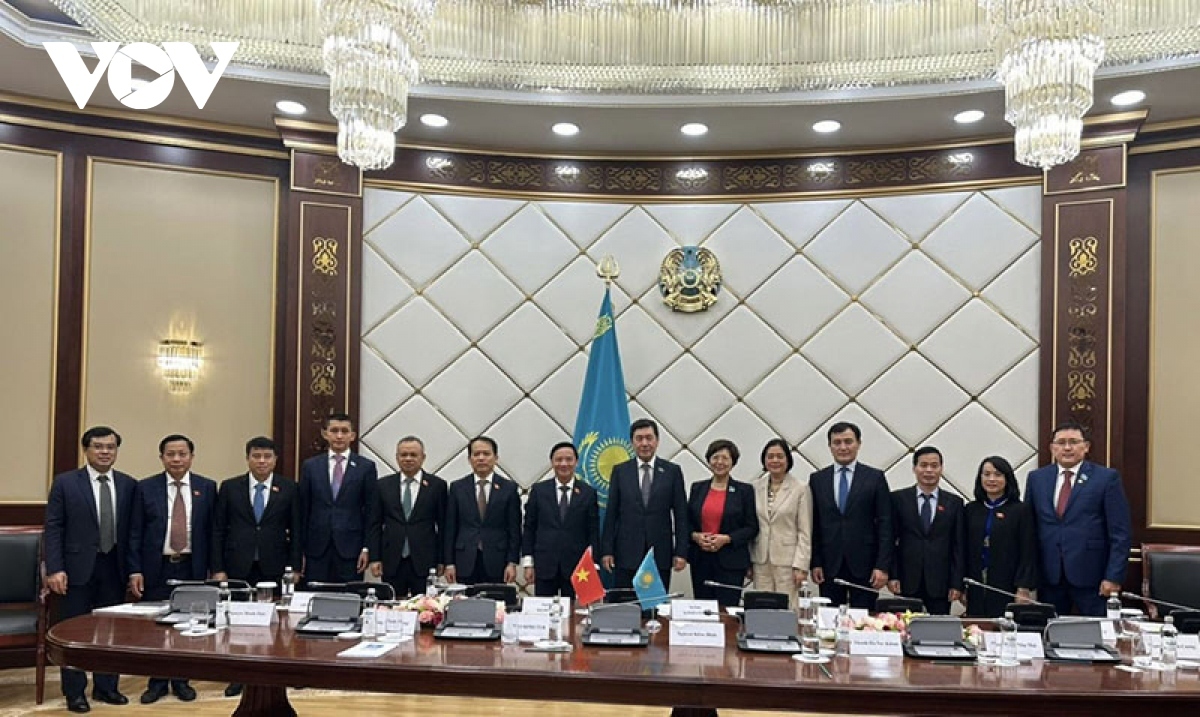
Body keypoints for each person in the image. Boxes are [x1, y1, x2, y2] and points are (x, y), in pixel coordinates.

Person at [43, 426, 136, 713]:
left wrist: (134, 570)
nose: (105, 452)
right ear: (86, 450)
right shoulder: (66, 483)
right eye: (98, 446)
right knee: (75, 632)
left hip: (114, 567)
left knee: (111, 631)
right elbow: (54, 528)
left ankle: (107, 687)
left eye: (110, 447)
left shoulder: (128, 484)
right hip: (75, 570)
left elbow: (133, 532)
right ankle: (74, 693)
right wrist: (55, 568)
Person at [128, 434, 218, 704]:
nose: (177, 459)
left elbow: (213, 532)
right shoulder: (144, 487)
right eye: (170, 454)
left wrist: (215, 569)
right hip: (157, 567)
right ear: (162, 458)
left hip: (192, 567)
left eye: (182, 453)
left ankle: (182, 680)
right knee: (156, 627)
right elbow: (134, 533)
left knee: (189, 625)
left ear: (191, 456)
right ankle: (156, 682)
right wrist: (134, 570)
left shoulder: (207, 487)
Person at [211, 436, 302, 698]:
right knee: (238, 623)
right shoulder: (229, 487)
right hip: (238, 565)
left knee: (276, 624)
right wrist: (218, 568)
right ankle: (239, 676)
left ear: (275, 460)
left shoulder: (289, 488)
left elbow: (297, 531)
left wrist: (294, 567)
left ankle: (274, 673)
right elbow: (218, 530)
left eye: (267, 457)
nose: (261, 461)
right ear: (247, 458)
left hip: (275, 565)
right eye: (256, 456)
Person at [1025, 421, 1132, 617]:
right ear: (1052, 448)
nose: (1067, 448)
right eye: (1061, 442)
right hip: (1049, 576)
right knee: (1050, 633)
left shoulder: (1106, 478)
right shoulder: (1037, 478)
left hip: (1093, 577)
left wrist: (1113, 576)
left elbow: (1120, 533)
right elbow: (1029, 529)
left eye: (1074, 442)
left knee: (1097, 636)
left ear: (1086, 447)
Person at [809, 421, 893, 609]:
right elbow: (814, 524)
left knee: (864, 622)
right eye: (837, 442)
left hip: (866, 565)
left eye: (848, 441)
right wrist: (816, 562)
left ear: (858, 444)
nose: (843, 447)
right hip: (829, 565)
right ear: (829, 446)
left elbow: (886, 524)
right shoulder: (818, 479)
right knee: (829, 622)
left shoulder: (875, 477)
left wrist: (882, 566)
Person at [601, 418, 688, 589]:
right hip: (626, 552)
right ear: (632, 442)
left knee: (656, 608)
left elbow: (681, 515)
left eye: (649, 438)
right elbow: (611, 514)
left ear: (657, 441)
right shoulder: (620, 471)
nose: (644, 443)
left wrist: (681, 552)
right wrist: (607, 550)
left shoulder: (672, 471)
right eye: (639, 438)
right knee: (627, 607)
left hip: (660, 552)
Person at [298, 412, 377, 584]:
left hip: (351, 549)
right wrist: (299, 550)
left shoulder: (366, 467)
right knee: (316, 599)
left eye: (344, 431)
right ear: (325, 434)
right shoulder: (310, 466)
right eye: (334, 430)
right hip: (316, 548)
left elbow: (372, 512)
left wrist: (366, 547)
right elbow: (303, 510)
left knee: (348, 600)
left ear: (353, 435)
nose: (339, 436)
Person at [887, 446, 964, 615]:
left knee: (939, 631)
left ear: (941, 469)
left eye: (934, 465)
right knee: (903, 628)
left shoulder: (954, 502)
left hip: (941, 582)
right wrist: (893, 575)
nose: (929, 470)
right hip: (906, 579)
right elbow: (890, 540)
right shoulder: (898, 499)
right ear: (914, 468)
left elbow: (958, 546)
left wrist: (956, 583)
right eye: (923, 465)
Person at [368, 436, 448, 597]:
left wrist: (442, 559)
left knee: (426, 608)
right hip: (392, 559)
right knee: (390, 607)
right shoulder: (382, 485)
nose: (408, 459)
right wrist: (374, 558)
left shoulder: (437, 486)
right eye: (403, 455)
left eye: (413, 455)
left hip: (425, 559)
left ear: (423, 457)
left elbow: (444, 525)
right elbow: (374, 524)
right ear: (397, 457)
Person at [521, 442, 600, 597]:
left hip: (577, 567)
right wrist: (528, 563)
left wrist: (593, 563)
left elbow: (593, 530)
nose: (564, 464)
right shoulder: (538, 491)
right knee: (543, 611)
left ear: (576, 462)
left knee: (574, 613)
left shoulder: (588, 493)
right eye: (559, 459)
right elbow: (529, 527)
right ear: (552, 463)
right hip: (544, 565)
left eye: (569, 459)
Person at [963, 456, 1037, 618]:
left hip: (1007, 584)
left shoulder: (1021, 510)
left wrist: (1023, 587)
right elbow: (962, 549)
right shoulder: (970, 510)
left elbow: (1028, 551)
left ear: (1007, 478)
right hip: (976, 584)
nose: (991, 479)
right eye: (987, 474)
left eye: (997, 474)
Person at [687, 439, 759, 607]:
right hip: (701, 560)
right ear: (709, 460)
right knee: (703, 609)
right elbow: (688, 522)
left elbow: (751, 527)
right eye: (715, 457)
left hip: (731, 562)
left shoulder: (744, 491)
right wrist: (696, 536)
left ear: (733, 462)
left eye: (725, 458)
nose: (719, 462)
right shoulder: (697, 488)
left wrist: (726, 539)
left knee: (727, 612)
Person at [443, 436, 522, 585]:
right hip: (464, 559)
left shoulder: (509, 488)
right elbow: (450, 528)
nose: (481, 458)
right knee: (465, 605)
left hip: (497, 560)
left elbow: (514, 529)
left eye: (486, 454)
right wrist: (449, 563)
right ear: (469, 459)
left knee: (495, 604)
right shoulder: (457, 487)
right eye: (476, 454)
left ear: (496, 458)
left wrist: (512, 562)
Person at [749, 438, 812, 606]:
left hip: (788, 562)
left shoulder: (800, 488)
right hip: (761, 559)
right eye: (770, 456)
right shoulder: (755, 487)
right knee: (762, 606)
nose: (775, 460)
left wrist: (801, 565)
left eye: (779, 456)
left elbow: (805, 530)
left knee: (788, 608)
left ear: (788, 460)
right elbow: (751, 526)